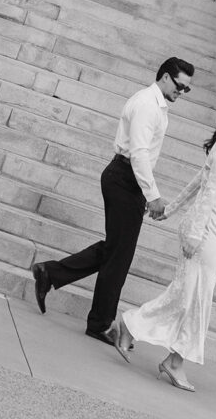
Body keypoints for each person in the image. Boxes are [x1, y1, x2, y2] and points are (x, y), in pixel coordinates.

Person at [31, 56, 195, 348]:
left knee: (114, 250)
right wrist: (152, 195)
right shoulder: (148, 104)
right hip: (124, 177)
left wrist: (142, 192)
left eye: (186, 90)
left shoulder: (155, 105)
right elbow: (140, 153)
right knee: (119, 257)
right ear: (167, 77)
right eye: (180, 87)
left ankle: (50, 273)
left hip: (126, 180)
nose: (181, 93)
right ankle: (99, 323)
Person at [114, 93, 216, 392]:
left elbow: (199, 182)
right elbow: (207, 195)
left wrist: (170, 210)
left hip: (205, 230)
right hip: (205, 233)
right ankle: (169, 357)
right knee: (195, 300)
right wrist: (195, 234)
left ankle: (140, 333)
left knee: (187, 298)